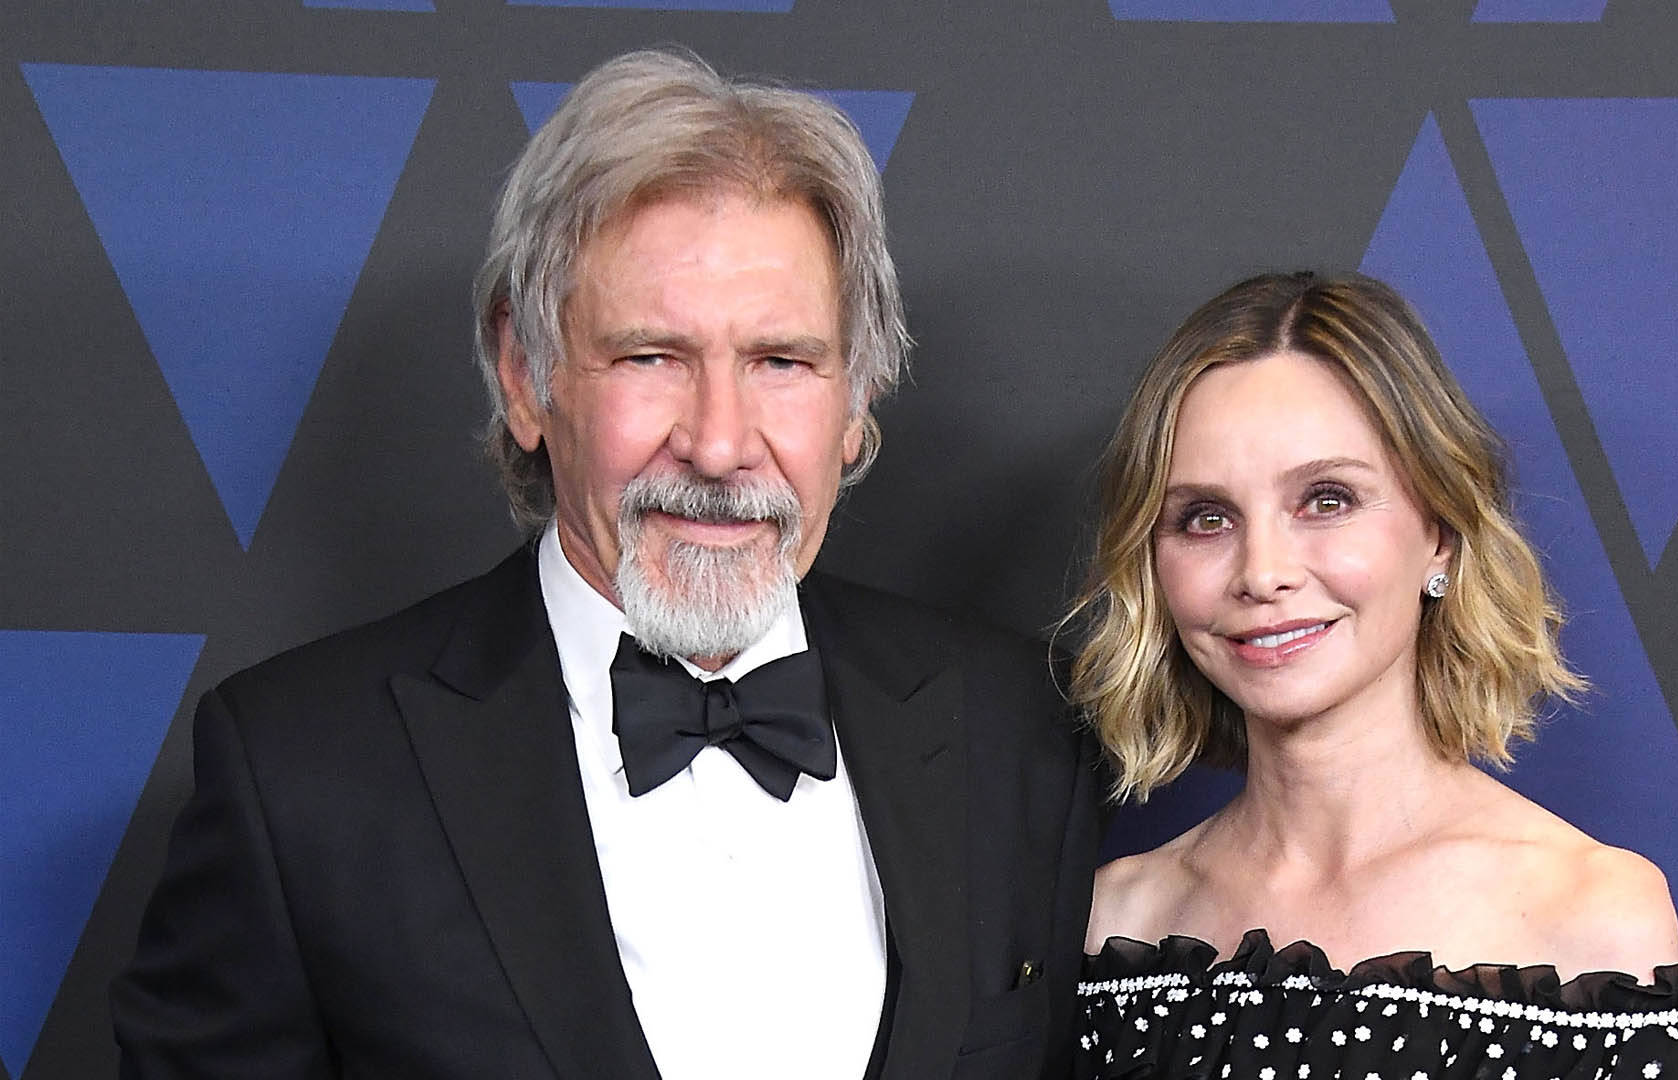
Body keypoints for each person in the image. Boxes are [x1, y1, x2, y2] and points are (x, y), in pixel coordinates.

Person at [112, 49, 1098, 1080]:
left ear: (856, 403)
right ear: (526, 377)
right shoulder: (301, 773)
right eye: (650, 357)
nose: (719, 444)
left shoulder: (1018, 730)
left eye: (782, 362)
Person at [1066, 272, 1678, 1078]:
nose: (1263, 573)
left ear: (1440, 535)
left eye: (1328, 499)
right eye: (1206, 518)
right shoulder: (1117, 920)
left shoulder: (1590, 917)